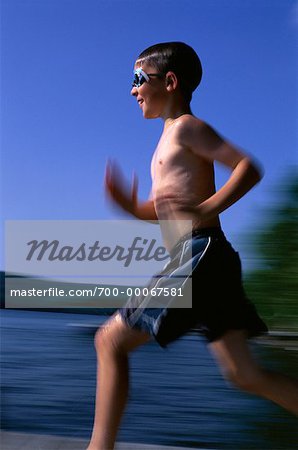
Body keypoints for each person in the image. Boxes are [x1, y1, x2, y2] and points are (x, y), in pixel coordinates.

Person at [86, 42, 298, 450]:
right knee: (244, 375)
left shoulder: (187, 127)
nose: (132, 90)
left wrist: (205, 208)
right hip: (209, 259)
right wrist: (132, 207)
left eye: (137, 80)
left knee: (108, 340)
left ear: (169, 82)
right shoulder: (167, 140)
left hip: (198, 255)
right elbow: (167, 210)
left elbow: (247, 167)